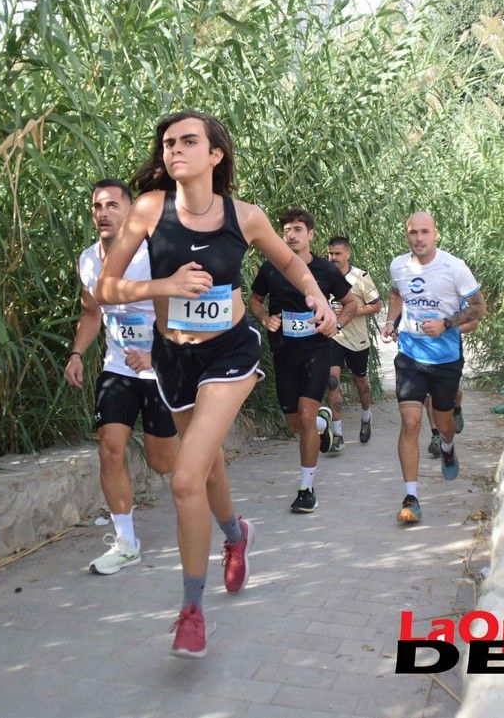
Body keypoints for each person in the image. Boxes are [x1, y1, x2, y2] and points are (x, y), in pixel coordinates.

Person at [95, 111, 337, 659]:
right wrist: (166, 283)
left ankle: (189, 612)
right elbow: (106, 287)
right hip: (173, 358)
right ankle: (235, 535)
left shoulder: (245, 217)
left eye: (188, 141)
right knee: (210, 470)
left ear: (214, 155)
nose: (175, 149)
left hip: (231, 352)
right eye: (168, 143)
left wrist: (319, 297)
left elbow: (294, 267)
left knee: (185, 479)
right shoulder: (150, 211)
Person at [65, 179, 178, 575]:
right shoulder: (88, 260)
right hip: (117, 368)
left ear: (131, 213)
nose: (103, 212)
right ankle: (126, 542)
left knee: (162, 462)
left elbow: (182, 311)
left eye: (113, 205)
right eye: (97, 206)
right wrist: (77, 353)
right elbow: (91, 314)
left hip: (160, 368)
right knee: (110, 447)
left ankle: (200, 473)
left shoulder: (154, 256)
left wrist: (155, 353)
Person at [380, 212, 485, 524]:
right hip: (410, 356)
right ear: (406, 235)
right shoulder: (398, 265)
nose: (419, 238)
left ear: (435, 234)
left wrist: (447, 323)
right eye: (413, 232)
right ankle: (411, 497)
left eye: (425, 232)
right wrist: (390, 320)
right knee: (410, 421)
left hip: (445, 358)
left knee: (443, 421)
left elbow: (479, 307)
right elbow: (396, 293)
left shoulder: (454, 267)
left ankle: (448, 444)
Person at [249, 211, 356, 514]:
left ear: (310, 235)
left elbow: (351, 303)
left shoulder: (324, 270)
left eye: (298, 229)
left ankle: (306, 488)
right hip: (284, 352)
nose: (291, 235)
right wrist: (265, 318)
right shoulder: (271, 268)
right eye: (286, 230)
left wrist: (336, 322)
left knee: (305, 418)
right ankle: (323, 424)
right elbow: (254, 300)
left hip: (317, 350)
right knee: (296, 423)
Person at [325, 235, 382, 447]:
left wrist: (351, 309)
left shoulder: (360, 277)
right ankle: (337, 435)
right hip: (333, 336)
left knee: (361, 383)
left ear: (348, 254)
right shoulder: (322, 274)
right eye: (330, 253)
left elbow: (377, 305)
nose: (333, 258)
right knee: (332, 382)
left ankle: (366, 415)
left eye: (338, 254)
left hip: (357, 339)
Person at [425, 297, 482, 457]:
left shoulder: (455, 295)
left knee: (454, 392)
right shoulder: (418, 291)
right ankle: (436, 436)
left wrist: (445, 329)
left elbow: (473, 323)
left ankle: (456, 409)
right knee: (430, 396)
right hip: (423, 352)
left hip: (450, 353)